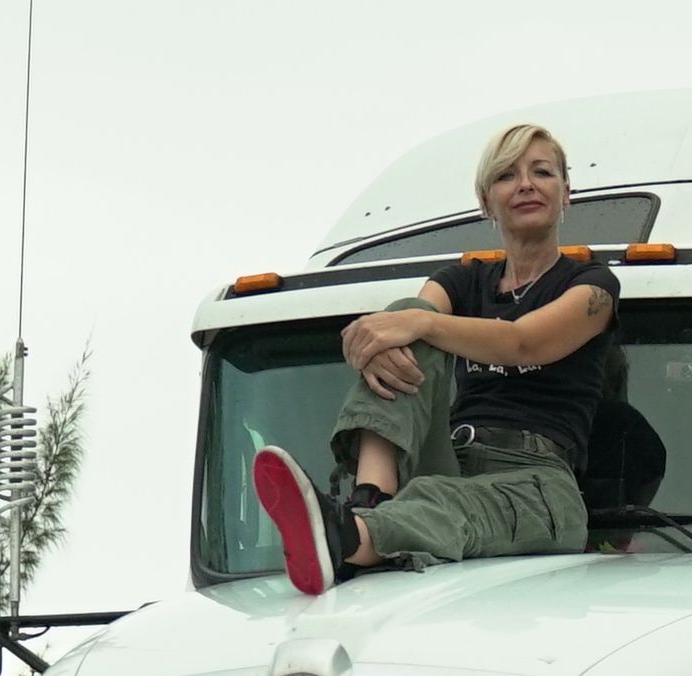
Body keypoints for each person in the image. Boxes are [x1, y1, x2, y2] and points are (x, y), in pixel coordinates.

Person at [252, 122, 621, 595]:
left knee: (439, 493)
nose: (526, 184)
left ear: (566, 192)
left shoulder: (593, 285)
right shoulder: (462, 282)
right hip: (449, 456)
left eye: (542, 172)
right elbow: (408, 324)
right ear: (486, 200)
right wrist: (372, 340)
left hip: (537, 483)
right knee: (406, 316)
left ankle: (347, 537)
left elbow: (527, 342)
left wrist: (421, 325)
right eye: (507, 175)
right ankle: (369, 501)